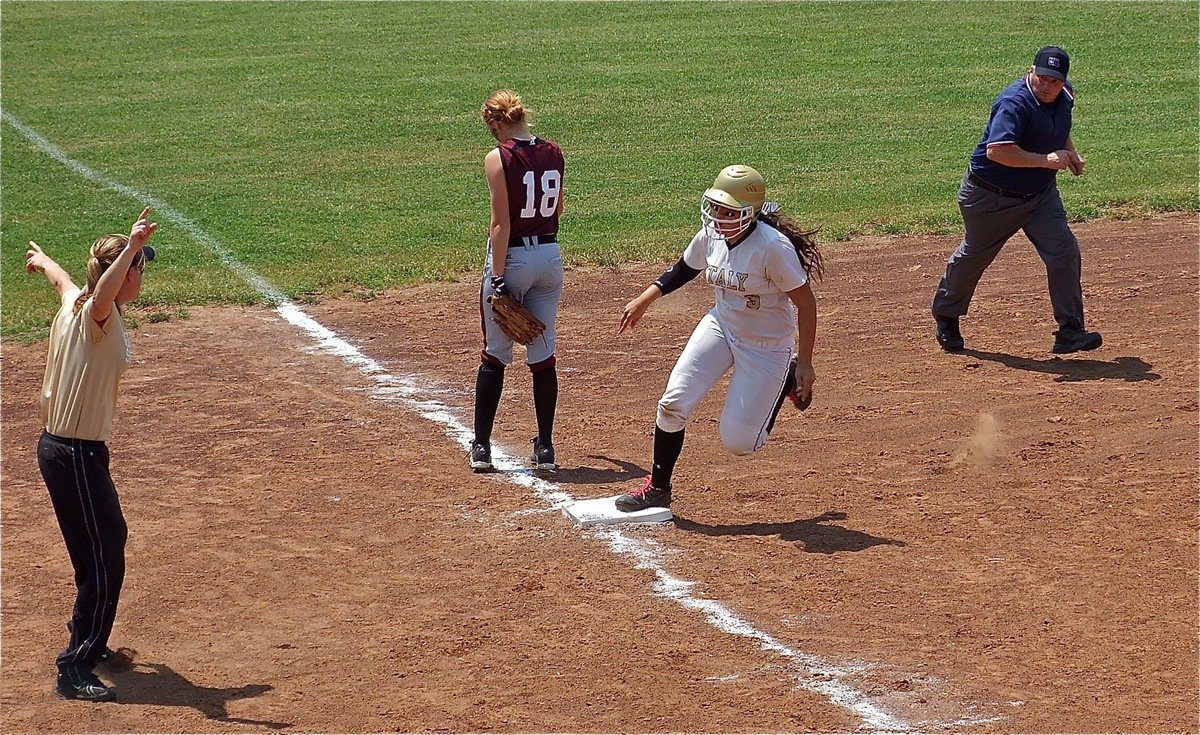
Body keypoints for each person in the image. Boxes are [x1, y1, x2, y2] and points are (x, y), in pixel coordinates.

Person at [614, 165, 821, 512]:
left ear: (750, 214)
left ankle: (786, 375)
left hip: (766, 345)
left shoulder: (772, 248)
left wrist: (807, 362)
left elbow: (806, 303)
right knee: (672, 403)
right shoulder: (712, 234)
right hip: (721, 326)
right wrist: (645, 298)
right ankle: (658, 488)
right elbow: (686, 267)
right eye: (717, 208)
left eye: (729, 211)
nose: (719, 217)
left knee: (741, 442)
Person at [25, 207, 158, 702]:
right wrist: (131, 248)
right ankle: (75, 665)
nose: (143, 273)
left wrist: (44, 261)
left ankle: (91, 640)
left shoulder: (73, 306)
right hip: (75, 453)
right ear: (123, 273)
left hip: (70, 453)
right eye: (141, 266)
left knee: (97, 547)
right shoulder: (97, 315)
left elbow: (64, 283)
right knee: (106, 551)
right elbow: (102, 293)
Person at [932, 45, 1102, 355]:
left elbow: (1060, 126)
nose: (1048, 86)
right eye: (1043, 78)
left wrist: (1071, 152)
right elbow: (997, 151)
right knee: (974, 258)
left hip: (1039, 196)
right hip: (991, 197)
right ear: (1031, 72)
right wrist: (1045, 160)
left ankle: (1070, 330)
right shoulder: (1014, 103)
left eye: (1055, 80)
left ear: (1064, 81)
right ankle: (947, 313)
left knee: (1064, 251)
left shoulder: (1066, 95)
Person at [468, 90, 565, 472]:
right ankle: (545, 449)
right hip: (550, 257)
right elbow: (557, 207)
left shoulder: (499, 158)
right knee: (542, 353)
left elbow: (500, 224)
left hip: (514, 258)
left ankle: (481, 447)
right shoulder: (555, 152)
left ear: (495, 123)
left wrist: (497, 277)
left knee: (495, 353)